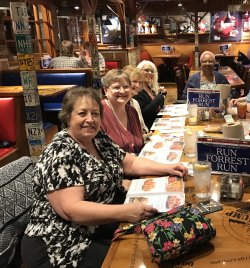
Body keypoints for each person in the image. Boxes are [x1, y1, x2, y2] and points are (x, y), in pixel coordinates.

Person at [21, 87, 187, 268]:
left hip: (96, 225)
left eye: (95, 114)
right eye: (82, 113)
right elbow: (72, 210)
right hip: (60, 241)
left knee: (163, 234)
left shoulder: (97, 137)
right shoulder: (61, 152)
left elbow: (129, 163)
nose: (90, 120)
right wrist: (126, 212)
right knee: (138, 257)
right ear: (67, 117)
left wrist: (168, 168)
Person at [101, 69, 144, 154]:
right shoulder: (99, 113)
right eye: (116, 87)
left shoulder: (132, 111)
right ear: (105, 90)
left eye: (126, 86)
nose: (122, 91)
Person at [134, 60, 167, 130]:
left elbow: (157, 108)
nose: (150, 73)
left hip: (158, 124)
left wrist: (161, 95)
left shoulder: (149, 87)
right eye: (146, 70)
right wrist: (159, 97)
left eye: (152, 71)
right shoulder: (137, 90)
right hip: (149, 129)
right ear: (138, 71)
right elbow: (145, 114)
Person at [123, 65, 150, 137]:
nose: (138, 85)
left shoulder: (135, 102)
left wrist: (145, 133)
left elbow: (143, 126)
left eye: (140, 82)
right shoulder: (119, 105)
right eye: (134, 81)